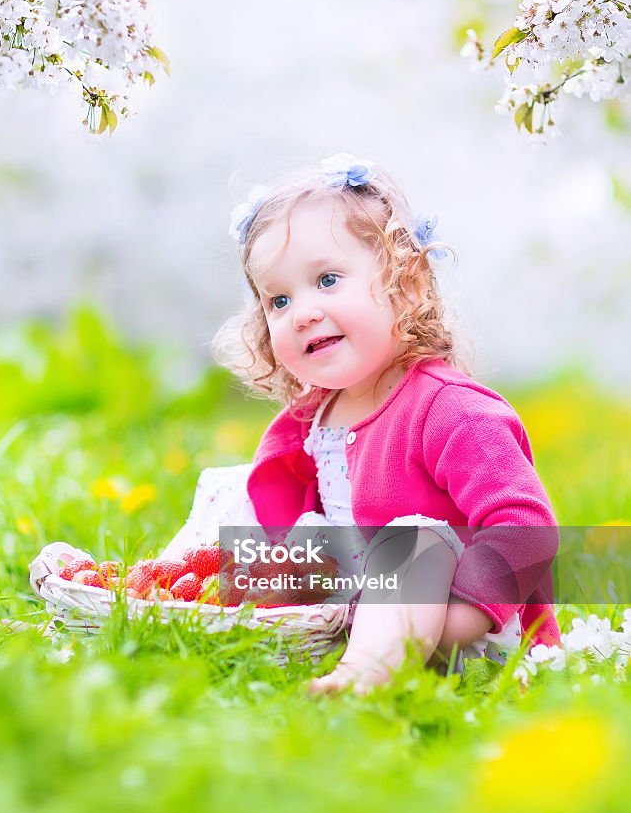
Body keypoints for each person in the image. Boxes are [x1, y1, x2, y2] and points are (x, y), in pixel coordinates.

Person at [206, 153, 560, 694]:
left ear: (407, 285)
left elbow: (525, 527)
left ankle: (364, 676)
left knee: (413, 540)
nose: (301, 311)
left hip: (461, 628)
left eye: (327, 279)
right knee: (229, 507)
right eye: (279, 299)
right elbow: (299, 524)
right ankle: (171, 607)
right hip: (355, 609)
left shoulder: (449, 410)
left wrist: (460, 620)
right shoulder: (308, 419)